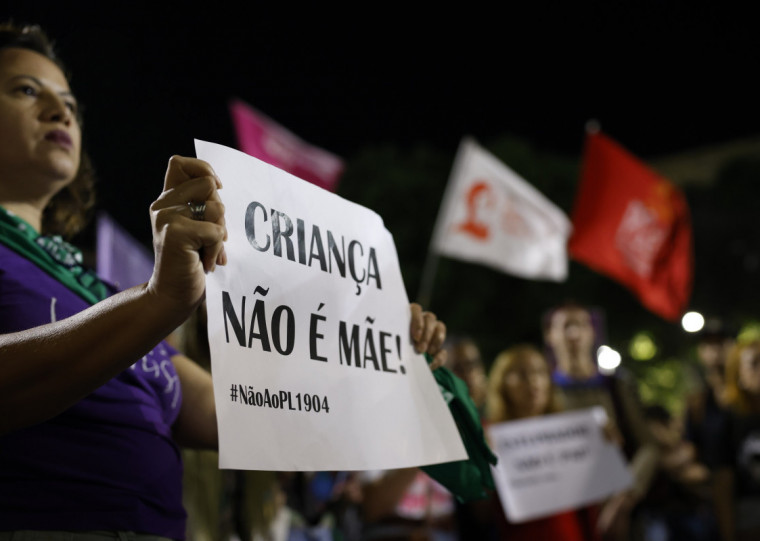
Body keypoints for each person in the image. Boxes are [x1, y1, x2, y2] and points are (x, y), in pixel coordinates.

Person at [0, 22, 449, 540]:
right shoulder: (129, 305)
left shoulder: (95, 290)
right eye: (26, 90)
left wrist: (385, 363)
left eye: (71, 105)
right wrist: (157, 302)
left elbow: (236, 410)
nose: (61, 112)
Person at [543, 303, 659, 541]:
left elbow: (648, 446)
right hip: (566, 513)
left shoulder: (617, 387)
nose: (574, 334)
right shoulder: (543, 392)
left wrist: (625, 496)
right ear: (550, 336)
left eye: (581, 325)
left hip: (617, 512)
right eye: (566, 326)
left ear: (593, 333)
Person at [485, 343, 600, 541]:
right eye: (521, 374)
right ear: (502, 384)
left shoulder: (572, 431)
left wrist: (602, 442)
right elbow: (482, 512)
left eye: (539, 372)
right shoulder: (487, 437)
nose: (533, 381)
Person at [712, 339, 760, 541]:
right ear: (737, 373)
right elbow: (723, 482)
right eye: (755, 363)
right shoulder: (728, 420)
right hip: (750, 515)